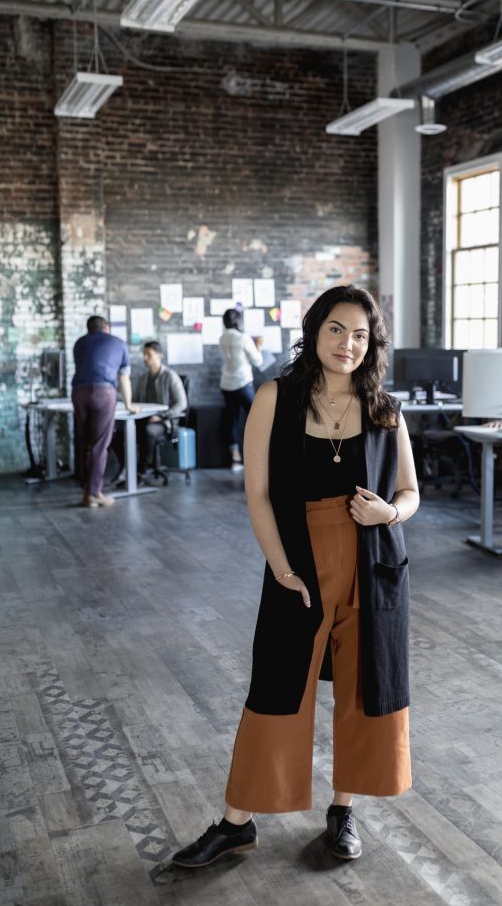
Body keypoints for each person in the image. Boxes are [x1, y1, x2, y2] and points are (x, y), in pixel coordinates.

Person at [171, 285, 419, 869]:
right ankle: (236, 823)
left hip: (374, 564)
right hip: (298, 563)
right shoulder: (274, 398)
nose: (347, 344)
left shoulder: (386, 408)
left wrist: (390, 512)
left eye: (360, 334)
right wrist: (281, 568)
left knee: (366, 689)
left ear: (371, 344)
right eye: (337, 329)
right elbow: (257, 495)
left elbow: (409, 493)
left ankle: (343, 811)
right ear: (315, 330)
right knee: (277, 689)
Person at [72, 314, 136, 509]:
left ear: (88, 329)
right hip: (103, 392)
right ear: (106, 328)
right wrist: (129, 404)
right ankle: (94, 494)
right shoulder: (119, 343)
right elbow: (124, 378)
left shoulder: (79, 343)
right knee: (100, 444)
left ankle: (86, 490)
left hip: (79, 392)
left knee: (85, 441)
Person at [127, 341, 187, 478]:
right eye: (144, 355)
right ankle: (125, 468)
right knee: (120, 431)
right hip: (144, 418)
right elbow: (136, 401)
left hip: (164, 422)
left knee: (148, 432)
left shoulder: (170, 376)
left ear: (159, 355)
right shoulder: (143, 379)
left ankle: (140, 472)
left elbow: (182, 403)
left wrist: (162, 416)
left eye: (149, 355)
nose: (145, 358)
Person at [219, 308, 263, 469]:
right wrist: (258, 347)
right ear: (238, 321)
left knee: (232, 420)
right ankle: (259, 457)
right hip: (243, 383)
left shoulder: (222, 338)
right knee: (258, 419)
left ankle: (235, 460)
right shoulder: (244, 338)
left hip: (226, 384)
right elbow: (257, 361)